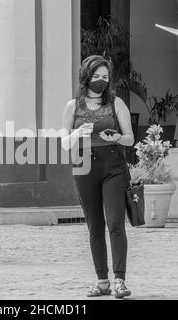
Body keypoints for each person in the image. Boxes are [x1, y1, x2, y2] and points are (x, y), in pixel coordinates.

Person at [61, 55, 135, 299]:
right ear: (86, 77)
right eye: (96, 76)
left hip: (113, 165)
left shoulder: (117, 104)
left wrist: (117, 139)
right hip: (84, 167)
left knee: (115, 223)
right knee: (94, 225)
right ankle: (102, 281)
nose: (101, 81)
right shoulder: (74, 106)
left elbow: (130, 138)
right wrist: (77, 133)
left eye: (105, 77)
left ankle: (120, 281)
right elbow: (63, 143)